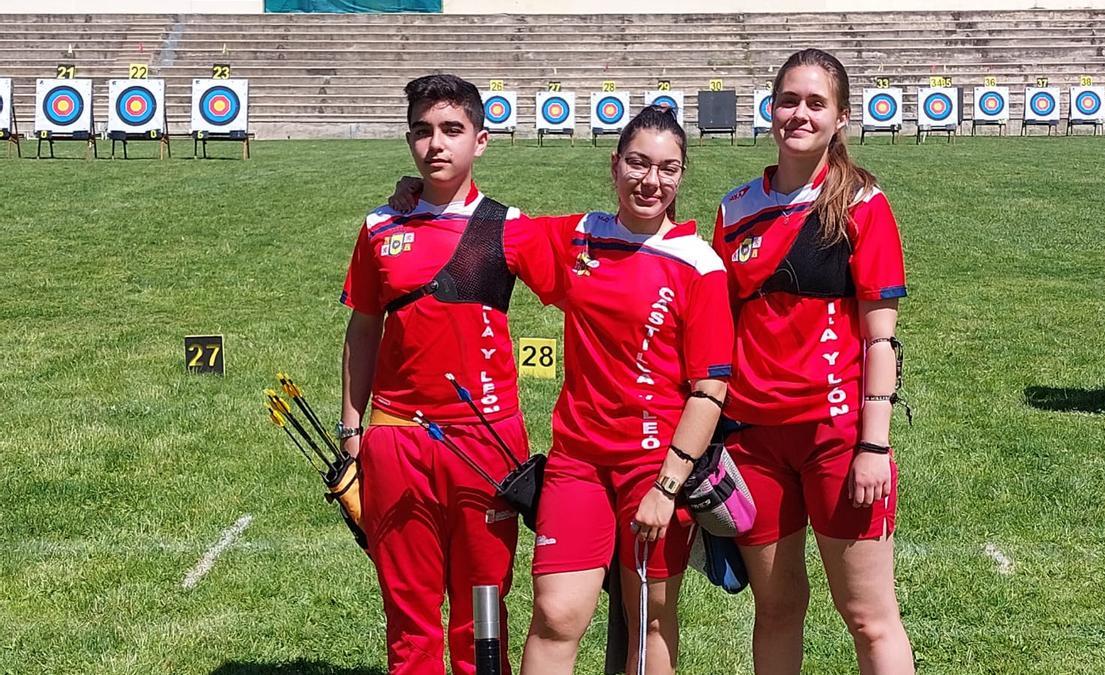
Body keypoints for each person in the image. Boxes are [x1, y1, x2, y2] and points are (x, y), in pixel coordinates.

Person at [389, 105, 734, 675]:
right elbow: (486, 225)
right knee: (554, 613)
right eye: (638, 164)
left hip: (655, 466)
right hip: (578, 464)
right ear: (614, 164)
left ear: (681, 175)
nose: (651, 181)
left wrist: (667, 487)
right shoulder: (580, 237)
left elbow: (708, 388)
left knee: (649, 620)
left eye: (668, 169)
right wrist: (425, 189)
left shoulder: (699, 263)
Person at [338, 73, 562, 675]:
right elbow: (362, 331)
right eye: (422, 131)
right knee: (409, 616)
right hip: (396, 439)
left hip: (486, 443)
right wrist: (351, 431)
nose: (436, 144)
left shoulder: (511, 227)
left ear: (481, 141)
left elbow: (588, 297)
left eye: (452, 130)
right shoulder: (380, 227)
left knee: (482, 613)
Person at [711, 48, 915, 674]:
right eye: (789, 100)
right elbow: (718, 326)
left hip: (835, 437)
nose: (799, 114)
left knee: (868, 615)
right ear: (770, 109)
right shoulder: (735, 208)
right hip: (752, 441)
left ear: (841, 118)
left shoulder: (861, 204)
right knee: (776, 608)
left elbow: (881, 339)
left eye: (816, 103)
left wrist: (873, 446)